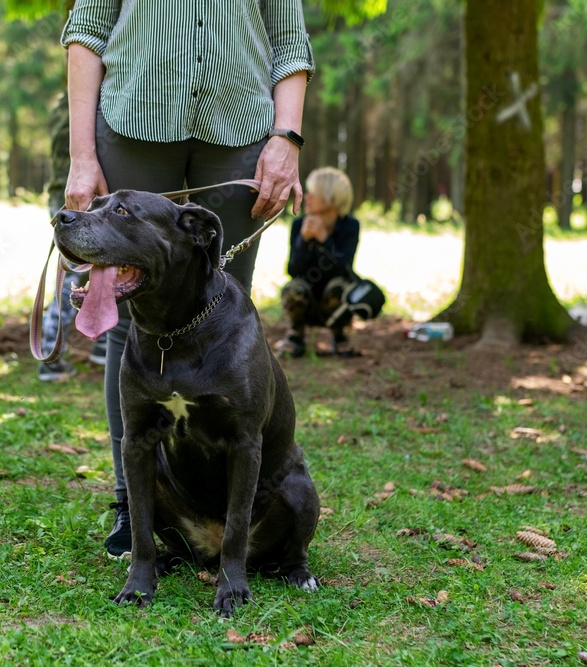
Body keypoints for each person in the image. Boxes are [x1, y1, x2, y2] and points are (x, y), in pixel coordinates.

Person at [60, 1, 315, 559]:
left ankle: (233, 509)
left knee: (227, 315)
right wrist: (83, 156)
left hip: (241, 129)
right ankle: (136, 505)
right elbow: (87, 30)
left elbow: (289, 41)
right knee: (130, 319)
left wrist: (286, 137)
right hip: (134, 120)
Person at [37, 91, 106, 382]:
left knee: (98, 269)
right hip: (80, 196)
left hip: (68, 194)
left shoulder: (64, 103)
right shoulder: (85, 102)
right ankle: (51, 355)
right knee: (72, 275)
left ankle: (102, 345)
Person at [275, 167, 361, 359]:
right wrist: (303, 242)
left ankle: (339, 335)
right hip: (307, 297)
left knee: (341, 287)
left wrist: (324, 240)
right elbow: (293, 270)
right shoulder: (299, 225)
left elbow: (344, 268)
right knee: (293, 289)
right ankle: (296, 334)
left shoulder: (350, 226)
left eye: (313, 192)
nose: (307, 197)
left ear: (331, 198)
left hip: (333, 298)